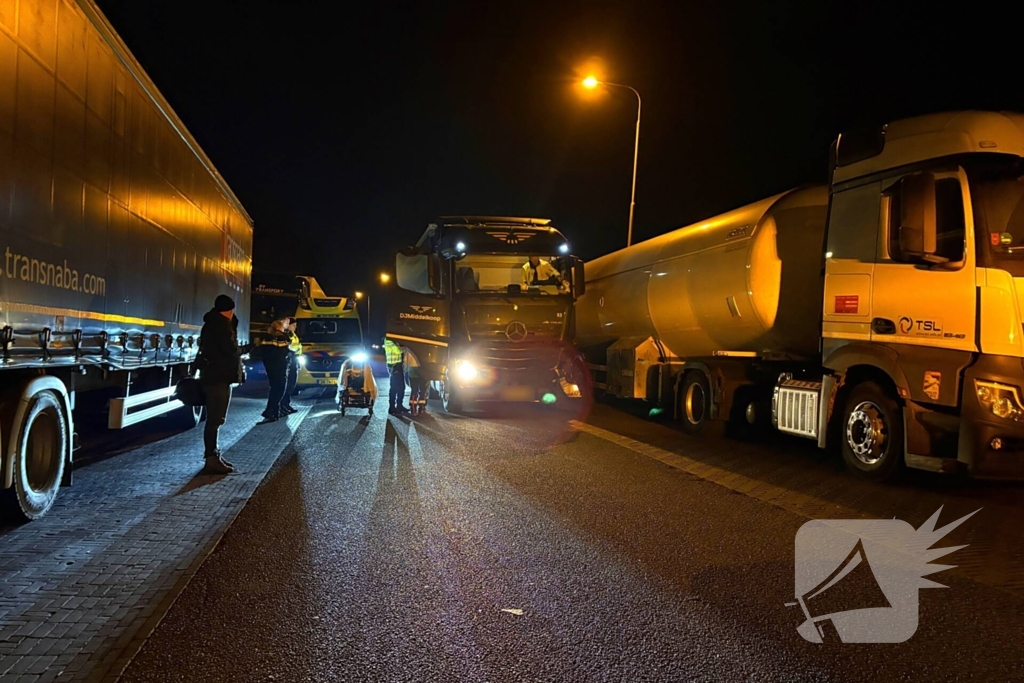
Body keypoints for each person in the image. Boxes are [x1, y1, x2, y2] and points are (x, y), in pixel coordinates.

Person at [197, 294, 245, 475]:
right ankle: (211, 458)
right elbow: (230, 350)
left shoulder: (211, 324)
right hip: (218, 377)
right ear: (228, 310)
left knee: (215, 419)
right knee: (216, 418)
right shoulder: (221, 326)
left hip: (213, 376)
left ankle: (214, 455)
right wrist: (246, 349)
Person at [279, 317, 301, 415]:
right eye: (294, 325)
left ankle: (286, 404)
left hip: (295, 360)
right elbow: (288, 347)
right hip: (290, 360)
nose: (295, 326)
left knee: (292, 383)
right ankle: (283, 405)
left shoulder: (293, 334)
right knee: (288, 384)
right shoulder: (287, 334)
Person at [383, 337, 409, 415]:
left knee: (401, 387)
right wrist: (406, 348)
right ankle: (392, 407)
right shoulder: (389, 341)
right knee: (394, 387)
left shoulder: (394, 340)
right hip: (394, 366)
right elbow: (398, 351)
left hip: (398, 365)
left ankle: (399, 405)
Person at [405, 347, 426, 415]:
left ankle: (413, 408)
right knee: (422, 389)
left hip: (412, 369)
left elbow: (405, 359)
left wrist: (406, 370)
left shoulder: (409, 347)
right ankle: (420, 408)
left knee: (414, 390)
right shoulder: (422, 347)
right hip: (421, 369)